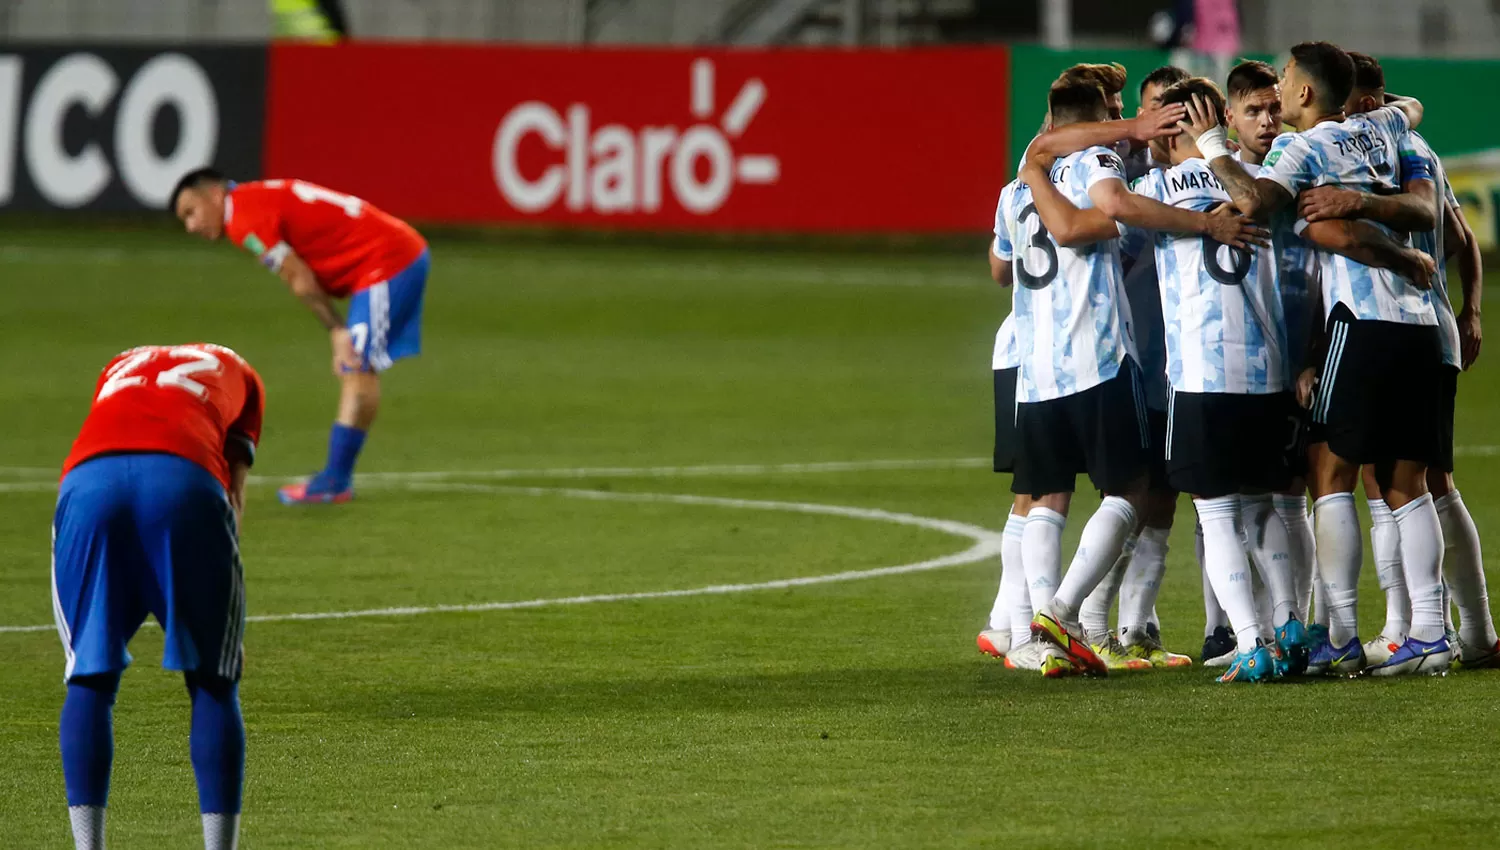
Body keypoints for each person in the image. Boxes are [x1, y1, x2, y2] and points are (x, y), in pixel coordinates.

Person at [1179, 41, 1452, 676]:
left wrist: (1214, 143)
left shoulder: (1299, 149)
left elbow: (1252, 202)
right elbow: (1411, 109)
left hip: (1360, 325)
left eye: (1285, 76)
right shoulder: (1382, 125)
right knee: (1406, 485)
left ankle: (1343, 636)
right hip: (1417, 326)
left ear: (1304, 93)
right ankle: (1432, 634)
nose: (1278, 84)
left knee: (1328, 476)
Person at [1003, 78, 1260, 678]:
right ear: (1096, 122)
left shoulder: (1016, 185)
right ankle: (1066, 617)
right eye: (1118, 114)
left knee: (1047, 498)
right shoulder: (1101, 164)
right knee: (1135, 490)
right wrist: (1197, 224)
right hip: (1098, 355)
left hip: (1037, 368)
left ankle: (1037, 631)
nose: (1130, 122)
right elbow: (1101, 216)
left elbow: (999, 263)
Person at [1297, 51, 1500, 669]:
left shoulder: (1370, 152)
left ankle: (1425, 630)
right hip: (1431, 329)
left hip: (1389, 325)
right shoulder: (1411, 147)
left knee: (1390, 480)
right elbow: (1465, 241)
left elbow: (1450, 238)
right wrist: (1468, 313)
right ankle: (1448, 631)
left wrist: (1466, 310)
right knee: (1407, 483)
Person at [52, 343, 264, 850]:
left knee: (89, 674)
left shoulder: (118, 362)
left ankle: (88, 846)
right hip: (185, 479)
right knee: (214, 680)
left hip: (89, 483)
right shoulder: (243, 376)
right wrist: (221, 620)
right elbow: (233, 496)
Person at [171, 169, 430, 505]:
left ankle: (335, 481)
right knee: (357, 366)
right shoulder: (254, 200)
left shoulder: (245, 219)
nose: (191, 226)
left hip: (388, 261)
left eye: (191, 212)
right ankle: (336, 478)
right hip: (386, 256)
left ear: (215, 194)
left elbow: (298, 277)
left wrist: (336, 329)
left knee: (355, 364)